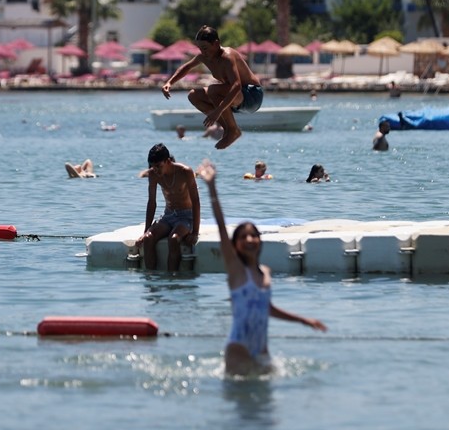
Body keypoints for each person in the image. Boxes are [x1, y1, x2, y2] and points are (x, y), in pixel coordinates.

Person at [195, 159, 326, 375]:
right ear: (236, 245)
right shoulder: (236, 270)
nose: (249, 239)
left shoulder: (265, 272)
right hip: (239, 351)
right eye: (243, 236)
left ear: (260, 241)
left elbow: (266, 308)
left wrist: (304, 320)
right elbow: (220, 227)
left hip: (262, 351)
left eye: (253, 235)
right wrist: (211, 187)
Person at [160, 25, 262, 150]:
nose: (203, 52)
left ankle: (233, 130)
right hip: (235, 99)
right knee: (193, 95)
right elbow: (187, 67)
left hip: (251, 95)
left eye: (205, 48)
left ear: (216, 43)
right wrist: (169, 82)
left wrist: (218, 111)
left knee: (213, 90)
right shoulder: (204, 57)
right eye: (200, 48)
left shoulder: (227, 56)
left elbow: (236, 86)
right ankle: (228, 129)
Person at [138, 143, 200, 272]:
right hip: (168, 215)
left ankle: (172, 278)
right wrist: (146, 230)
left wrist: (195, 232)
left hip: (186, 216)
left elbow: (196, 201)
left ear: (168, 161)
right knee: (149, 238)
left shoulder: (185, 172)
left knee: (173, 239)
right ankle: (151, 279)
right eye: (153, 167)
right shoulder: (153, 174)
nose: (156, 170)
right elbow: (152, 202)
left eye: (159, 166)